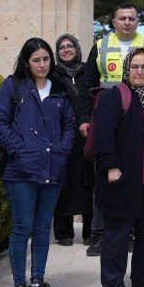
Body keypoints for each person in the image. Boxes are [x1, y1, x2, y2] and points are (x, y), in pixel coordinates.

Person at [0, 38, 77, 287]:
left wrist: (63, 150)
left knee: (42, 228)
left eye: (46, 59)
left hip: (52, 168)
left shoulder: (60, 90)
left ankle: (38, 281)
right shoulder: (13, 86)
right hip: (20, 171)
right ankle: (20, 285)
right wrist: (20, 149)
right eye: (36, 59)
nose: (42, 64)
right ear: (27, 62)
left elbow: (70, 125)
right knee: (22, 226)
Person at [76, 3, 144, 256]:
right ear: (113, 22)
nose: (127, 22)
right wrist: (84, 118)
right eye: (122, 18)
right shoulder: (101, 45)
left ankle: (134, 234)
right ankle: (99, 235)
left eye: (132, 18)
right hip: (108, 114)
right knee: (104, 176)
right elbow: (87, 85)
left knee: (137, 178)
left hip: (141, 116)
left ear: (138, 22)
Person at [93, 46, 144, 287]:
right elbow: (103, 135)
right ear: (127, 69)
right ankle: (112, 284)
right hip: (124, 179)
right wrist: (111, 166)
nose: (140, 71)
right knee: (118, 234)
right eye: (135, 66)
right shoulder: (116, 96)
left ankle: (142, 278)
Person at [52, 34, 94, 247]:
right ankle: (63, 232)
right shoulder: (53, 74)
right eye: (62, 47)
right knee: (62, 181)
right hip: (62, 135)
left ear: (77, 48)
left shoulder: (88, 70)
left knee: (89, 180)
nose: (66, 50)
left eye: (70, 46)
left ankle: (89, 232)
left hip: (87, 133)